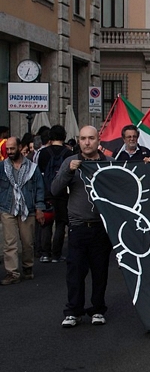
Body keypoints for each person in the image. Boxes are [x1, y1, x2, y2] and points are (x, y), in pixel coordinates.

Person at [51, 126, 113, 327]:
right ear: (78, 140)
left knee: (100, 272)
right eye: (83, 138)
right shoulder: (71, 161)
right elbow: (55, 189)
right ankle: (73, 311)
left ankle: (97, 309)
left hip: (100, 228)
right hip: (78, 226)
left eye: (91, 138)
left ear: (98, 140)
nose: (87, 142)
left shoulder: (108, 163)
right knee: (75, 272)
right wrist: (69, 172)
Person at [0, 137, 45, 285]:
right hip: (8, 208)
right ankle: (12, 272)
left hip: (28, 209)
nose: (10, 152)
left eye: (12, 148)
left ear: (20, 147)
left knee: (27, 242)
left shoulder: (32, 168)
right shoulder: (2, 167)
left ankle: (27, 267)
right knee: (9, 242)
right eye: (8, 149)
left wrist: (39, 208)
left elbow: (39, 189)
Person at [36, 124, 73, 262]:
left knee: (46, 222)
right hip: (63, 192)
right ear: (64, 136)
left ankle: (45, 253)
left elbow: (39, 172)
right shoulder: (68, 153)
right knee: (61, 223)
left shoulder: (44, 153)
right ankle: (57, 254)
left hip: (47, 191)